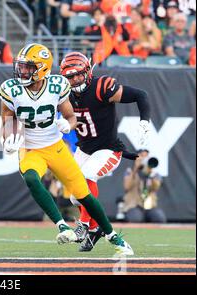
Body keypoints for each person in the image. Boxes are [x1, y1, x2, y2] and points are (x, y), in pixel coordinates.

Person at [0, 43, 133, 255]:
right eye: (22, 66)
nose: (22, 71)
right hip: (31, 149)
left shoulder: (57, 86)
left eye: (28, 67)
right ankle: (62, 225)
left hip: (55, 147)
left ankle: (112, 235)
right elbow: (7, 120)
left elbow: (71, 117)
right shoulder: (10, 89)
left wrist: (67, 125)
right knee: (32, 178)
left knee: (83, 194)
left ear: (42, 68)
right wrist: (7, 139)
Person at [59, 51, 151, 252]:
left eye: (78, 74)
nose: (74, 80)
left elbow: (140, 95)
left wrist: (144, 120)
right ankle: (95, 227)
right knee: (75, 196)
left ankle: (83, 226)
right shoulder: (62, 94)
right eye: (70, 76)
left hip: (108, 149)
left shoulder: (102, 87)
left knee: (87, 176)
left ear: (88, 72)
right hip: (84, 149)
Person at [122, 149, 167, 223]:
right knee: (135, 218)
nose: (144, 159)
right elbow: (127, 187)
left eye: (146, 157)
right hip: (134, 205)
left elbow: (156, 188)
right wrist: (136, 169)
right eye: (142, 156)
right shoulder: (130, 171)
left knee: (159, 218)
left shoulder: (154, 173)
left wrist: (150, 173)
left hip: (150, 206)